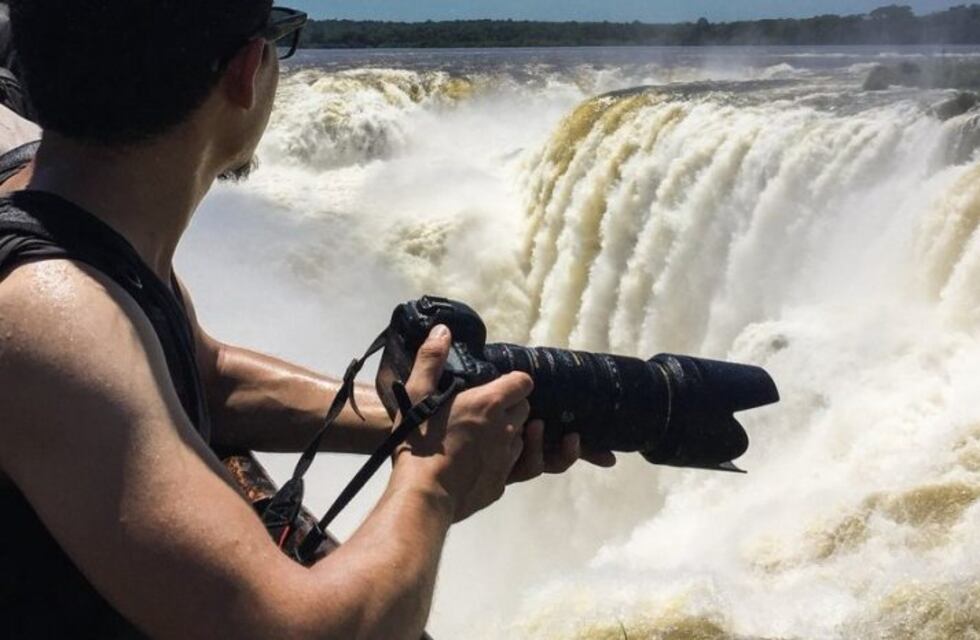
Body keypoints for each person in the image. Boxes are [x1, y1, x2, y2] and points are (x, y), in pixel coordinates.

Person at [0, 1, 614, 638]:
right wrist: (434, 481)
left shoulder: (68, 212)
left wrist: (410, 420)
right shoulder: (53, 316)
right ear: (248, 69)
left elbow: (210, 378)